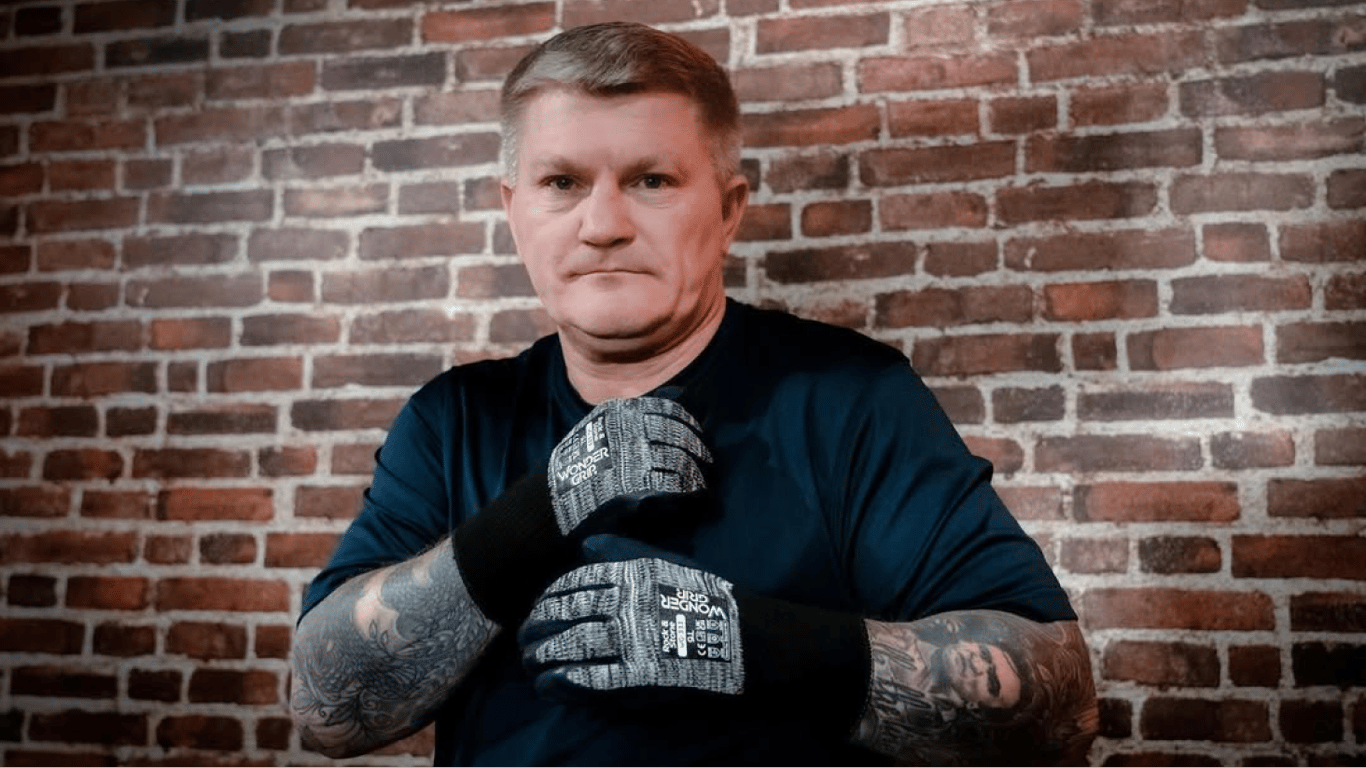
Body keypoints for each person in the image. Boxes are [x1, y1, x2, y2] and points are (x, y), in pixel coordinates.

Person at [288, 20, 1099, 767]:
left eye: (651, 179)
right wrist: (542, 510)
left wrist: (756, 643)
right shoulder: (454, 420)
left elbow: (1062, 710)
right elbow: (325, 711)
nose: (602, 224)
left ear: (728, 210)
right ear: (514, 209)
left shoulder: (850, 400)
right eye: (562, 181)